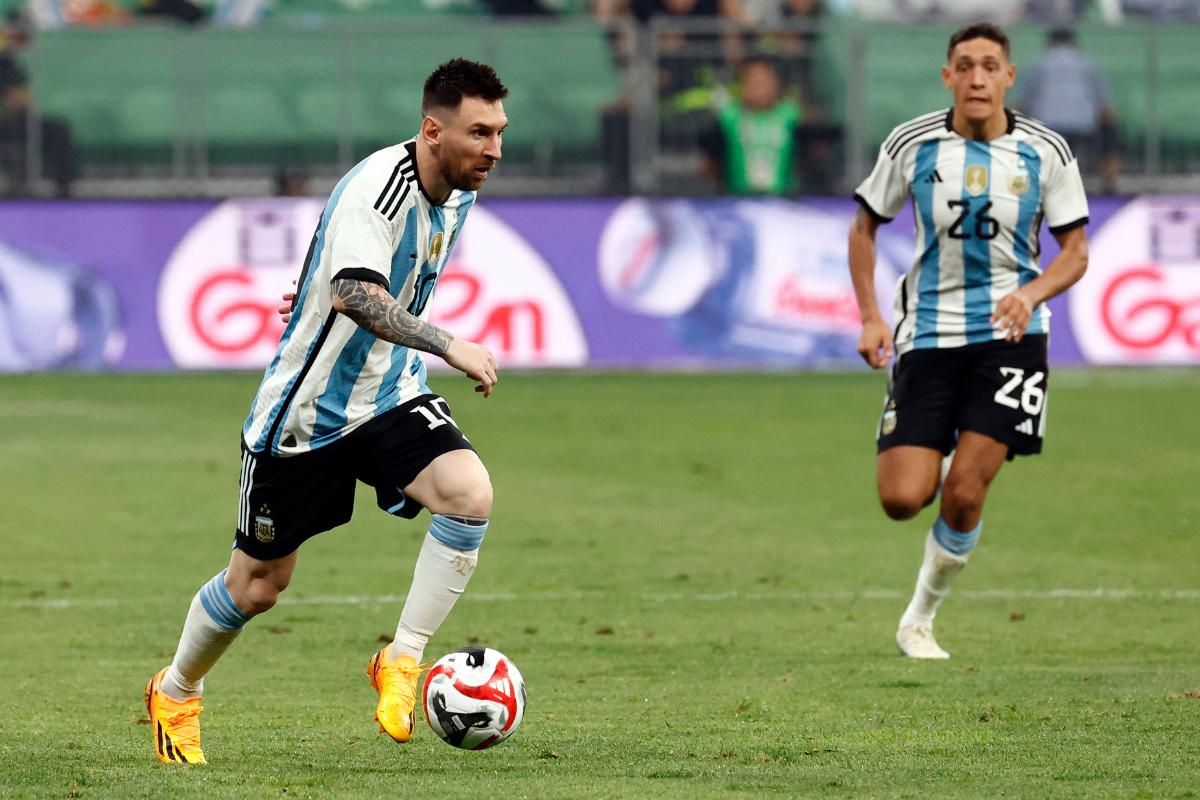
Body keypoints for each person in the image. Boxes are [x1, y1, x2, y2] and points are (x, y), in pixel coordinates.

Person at [144, 58, 508, 764]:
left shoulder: (458, 187)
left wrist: (320, 285)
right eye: (478, 132)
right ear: (433, 131)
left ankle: (401, 661)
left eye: (498, 132)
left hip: (388, 390)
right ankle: (177, 689)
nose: (493, 149)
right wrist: (445, 342)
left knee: (469, 494)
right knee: (258, 586)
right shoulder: (380, 190)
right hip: (306, 414)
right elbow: (355, 292)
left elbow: (352, 276)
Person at [847, 23, 1090, 659]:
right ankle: (955, 446)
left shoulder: (1047, 152)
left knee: (963, 495)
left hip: (1012, 335)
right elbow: (864, 228)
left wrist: (1032, 294)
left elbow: (1075, 253)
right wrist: (872, 317)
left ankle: (918, 620)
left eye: (989, 66)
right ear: (947, 77)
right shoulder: (911, 144)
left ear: (1010, 76)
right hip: (927, 332)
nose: (977, 77)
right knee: (902, 499)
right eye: (965, 65)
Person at [1017, 27, 1119, 194]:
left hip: (1046, 127)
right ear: (1074, 44)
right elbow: (1105, 106)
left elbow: (1023, 104)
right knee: (1110, 134)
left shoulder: (1039, 64)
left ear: (1049, 44)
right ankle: (1108, 183)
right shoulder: (1088, 64)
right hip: (1083, 128)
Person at [699, 57, 804, 195]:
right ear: (743, 86)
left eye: (764, 82)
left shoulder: (790, 116)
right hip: (737, 201)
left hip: (783, 202)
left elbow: (805, 156)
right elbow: (710, 164)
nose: (760, 89)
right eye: (754, 82)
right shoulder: (728, 118)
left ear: (775, 84)